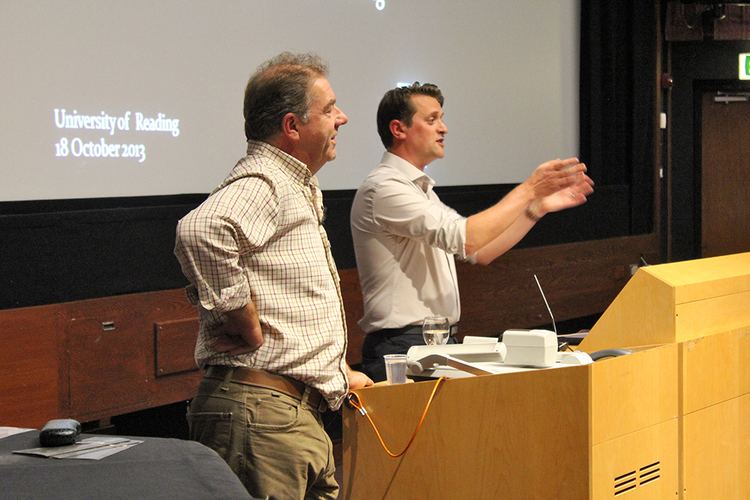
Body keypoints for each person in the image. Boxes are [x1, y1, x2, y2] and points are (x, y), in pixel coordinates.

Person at [174, 52, 373, 499]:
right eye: (329, 109)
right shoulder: (267, 180)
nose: (342, 117)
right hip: (262, 416)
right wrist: (239, 314)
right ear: (292, 125)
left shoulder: (290, 184)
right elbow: (200, 230)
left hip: (285, 414)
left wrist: (335, 373)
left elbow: (290, 300)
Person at [350, 82, 594, 381]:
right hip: (402, 345)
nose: (444, 128)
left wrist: (536, 207)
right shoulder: (384, 188)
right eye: (432, 120)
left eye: (441, 118)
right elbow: (467, 238)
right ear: (398, 129)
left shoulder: (419, 189)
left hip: (431, 342)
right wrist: (528, 188)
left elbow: (480, 251)